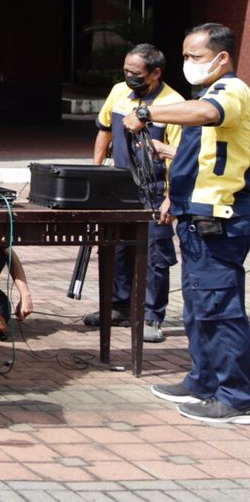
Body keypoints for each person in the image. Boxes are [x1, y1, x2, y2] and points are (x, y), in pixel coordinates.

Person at [124, 23, 250, 425]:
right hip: (195, 217)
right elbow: (212, 155)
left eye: (195, 56)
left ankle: (235, 396)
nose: (188, 63)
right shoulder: (208, 95)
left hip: (220, 219)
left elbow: (207, 115)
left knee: (220, 306)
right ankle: (204, 381)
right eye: (185, 56)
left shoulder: (230, 91)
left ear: (222, 57)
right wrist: (169, 154)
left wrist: (147, 112)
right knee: (198, 306)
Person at [91, 43, 183, 343]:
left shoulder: (174, 104)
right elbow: (105, 129)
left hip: (155, 189)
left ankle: (152, 316)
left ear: (156, 73)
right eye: (126, 71)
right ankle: (119, 307)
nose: (129, 77)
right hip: (119, 186)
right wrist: (96, 170)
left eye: (136, 74)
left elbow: (179, 155)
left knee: (155, 254)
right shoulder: (118, 92)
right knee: (117, 248)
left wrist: (171, 197)